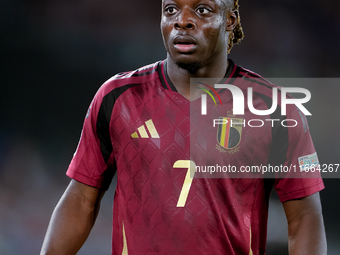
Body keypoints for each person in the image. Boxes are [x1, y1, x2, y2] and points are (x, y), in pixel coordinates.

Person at [40, 0, 327, 254]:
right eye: (171, 9)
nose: (182, 20)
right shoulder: (117, 98)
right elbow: (80, 200)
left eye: (202, 10)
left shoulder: (274, 108)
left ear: (231, 20)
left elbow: (304, 217)